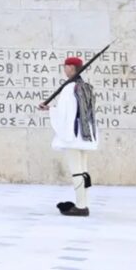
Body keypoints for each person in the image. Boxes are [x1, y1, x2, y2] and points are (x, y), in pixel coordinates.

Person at [38, 56, 98, 217]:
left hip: (73, 135)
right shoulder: (85, 86)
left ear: (71, 68)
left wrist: (50, 110)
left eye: (65, 67)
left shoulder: (69, 88)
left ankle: (81, 207)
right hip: (85, 134)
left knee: (77, 171)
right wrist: (51, 109)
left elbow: (65, 114)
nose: (64, 69)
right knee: (83, 170)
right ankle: (84, 203)